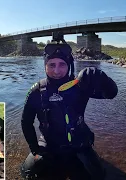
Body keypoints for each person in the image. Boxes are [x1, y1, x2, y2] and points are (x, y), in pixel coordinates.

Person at [20, 33, 118, 180]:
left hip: (79, 142)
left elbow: (111, 94)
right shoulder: (37, 90)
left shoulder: (81, 85)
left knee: (97, 176)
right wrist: (35, 148)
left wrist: (102, 78)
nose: (57, 71)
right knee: (29, 174)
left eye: (62, 65)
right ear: (45, 65)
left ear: (69, 65)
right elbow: (26, 122)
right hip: (48, 143)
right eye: (51, 65)